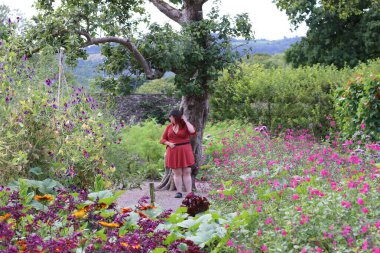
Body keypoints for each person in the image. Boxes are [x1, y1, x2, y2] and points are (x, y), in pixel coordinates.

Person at [160, 109, 196, 198]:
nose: (170, 118)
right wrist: (169, 143)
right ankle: (179, 192)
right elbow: (162, 139)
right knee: (177, 172)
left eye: (171, 117)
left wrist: (186, 121)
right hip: (173, 151)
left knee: (187, 171)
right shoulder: (169, 127)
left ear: (175, 117)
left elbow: (192, 132)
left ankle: (189, 193)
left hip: (185, 151)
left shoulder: (185, 126)